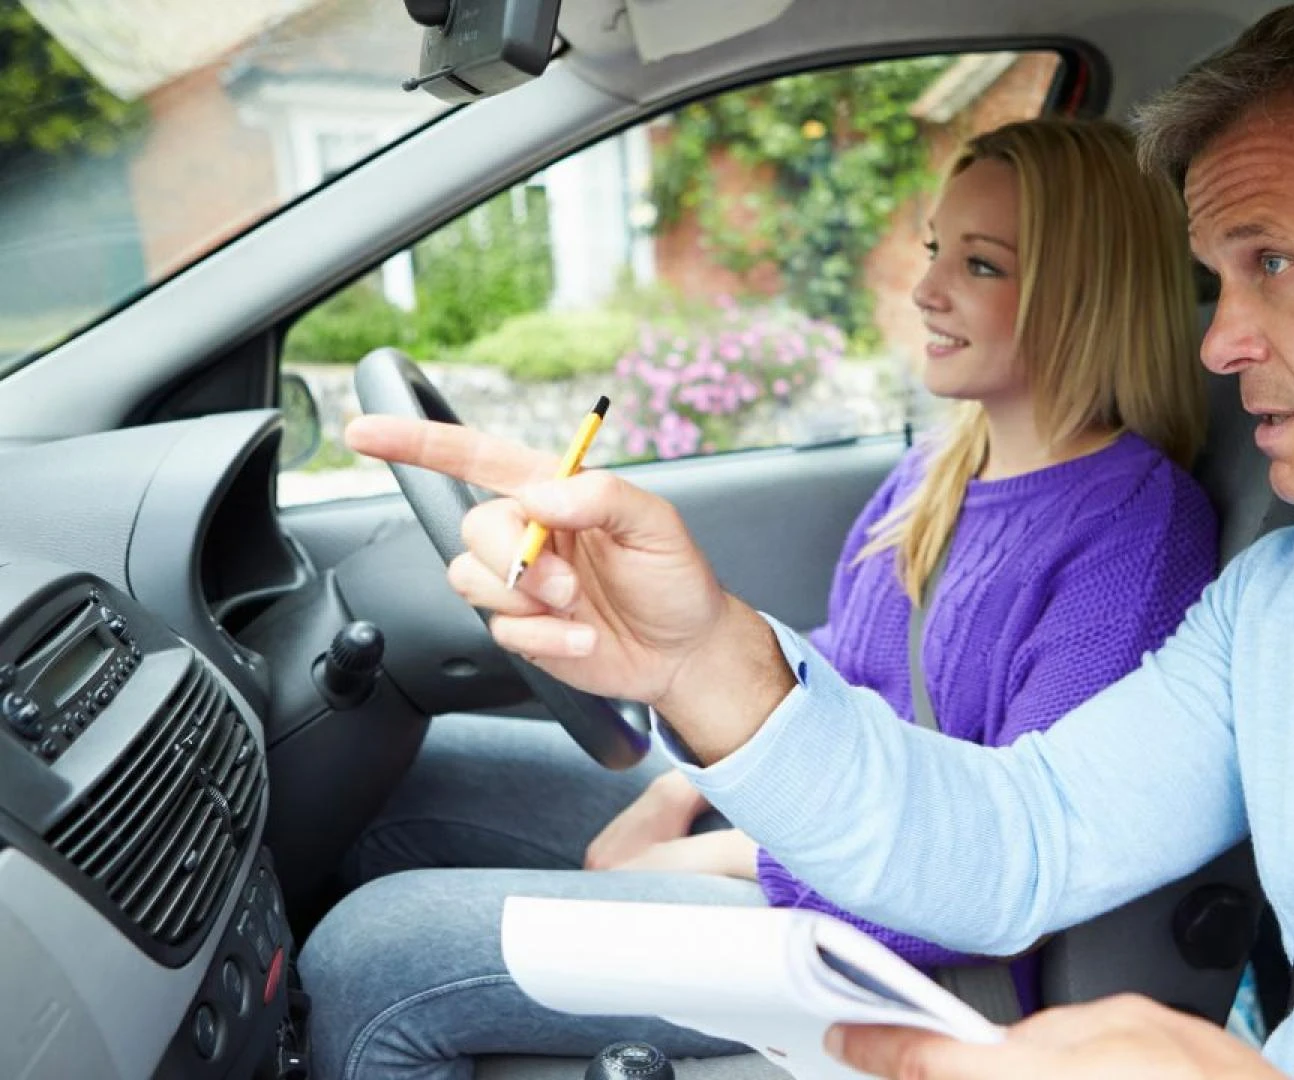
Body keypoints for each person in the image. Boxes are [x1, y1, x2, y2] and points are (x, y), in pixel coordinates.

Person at [345, 0, 1294, 1076]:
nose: (1220, 346)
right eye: (1209, 281)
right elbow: (1014, 840)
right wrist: (710, 663)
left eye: (1271, 266)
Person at [299, 116, 1221, 1079]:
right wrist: (678, 784)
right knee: (411, 769)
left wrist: (703, 857)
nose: (924, 289)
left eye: (981, 266)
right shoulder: (942, 465)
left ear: (1089, 292)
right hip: (801, 834)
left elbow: (993, 872)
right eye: (937, 249)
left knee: (372, 957)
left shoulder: (1137, 537)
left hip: (891, 950)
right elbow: (841, 665)